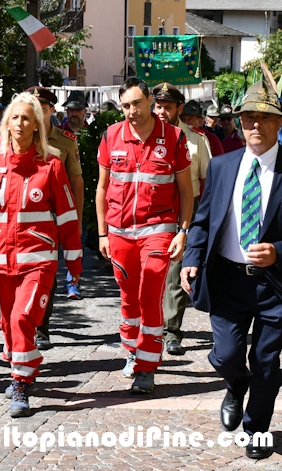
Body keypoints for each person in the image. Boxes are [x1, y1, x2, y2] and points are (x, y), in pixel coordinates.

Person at [180, 79, 282, 460]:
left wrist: (279, 251)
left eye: (265, 118)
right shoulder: (221, 166)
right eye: (249, 118)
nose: (256, 126)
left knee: (266, 361)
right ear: (240, 122)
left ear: (280, 123)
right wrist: (192, 259)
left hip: (275, 285)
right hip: (228, 280)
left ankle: (257, 429)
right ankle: (235, 383)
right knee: (228, 354)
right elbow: (202, 221)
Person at [0, 92, 82, 417]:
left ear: (36, 126)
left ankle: (20, 382)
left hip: (38, 265)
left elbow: (68, 218)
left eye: (26, 118)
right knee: (7, 324)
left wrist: (73, 261)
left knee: (21, 320)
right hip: (1, 266)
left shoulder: (51, 166)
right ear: (7, 124)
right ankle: (21, 367)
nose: (20, 123)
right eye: (14, 117)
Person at [96, 78, 193, 394]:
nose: (131, 111)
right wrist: (102, 234)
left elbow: (186, 191)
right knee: (128, 297)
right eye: (125, 106)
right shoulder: (112, 136)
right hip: (120, 232)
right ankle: (132, 351)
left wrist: (183, 230)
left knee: (150, 292)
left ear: (150, 101)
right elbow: (101, 188)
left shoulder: (174, 138)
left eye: (136, 103)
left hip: (158, 230)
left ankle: (147, 367)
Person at [151, 85, 212, 357]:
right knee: (151, 271)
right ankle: (149, 328)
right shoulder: (145, 137)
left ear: (179, 109)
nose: (162, 112)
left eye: (168, 107)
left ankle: (171, 332)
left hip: (186, 210)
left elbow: (207, 183)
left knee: (176, 273)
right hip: (153, 210)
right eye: (158, 106)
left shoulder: (196, 140)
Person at [25, 86, 85, 351]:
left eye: (44, 108)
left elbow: (76, 182)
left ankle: (42, 327)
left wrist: (76, 221)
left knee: (46, 274)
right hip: (23, 217)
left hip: (52, 217)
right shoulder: (17, 136)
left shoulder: (66, 140)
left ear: (51, 111)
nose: (39, 113)